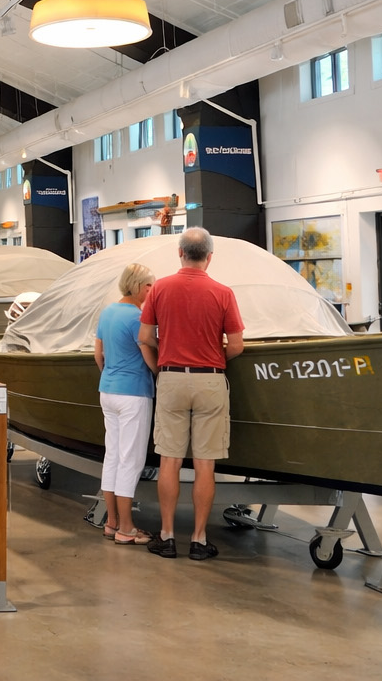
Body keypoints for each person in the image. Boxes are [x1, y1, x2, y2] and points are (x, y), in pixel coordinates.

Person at [137, 227, 244, 561]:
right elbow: (237, 345)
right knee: (204, 464)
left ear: (180, 253)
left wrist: (162, 364)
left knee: (169, 459)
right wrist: (212, 359)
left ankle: (167, 536)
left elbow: (145, 336)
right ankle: (199, 539)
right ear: (209, 257)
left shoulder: (159, 290)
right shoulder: (223, 293)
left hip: (170, 378)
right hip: (210, 380)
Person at [94, 262, 156, 545]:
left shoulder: (107, 312)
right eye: (149, 285)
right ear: (137, 286)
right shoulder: (136, 318)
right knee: (131, 460)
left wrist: (111, 375)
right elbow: (148, 356)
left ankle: (111, 521)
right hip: (133, 393)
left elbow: (99, 355)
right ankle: (127, 529)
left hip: (108, 391)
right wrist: (161, 373)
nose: (151, 290)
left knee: (113, 456)